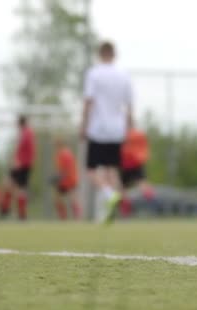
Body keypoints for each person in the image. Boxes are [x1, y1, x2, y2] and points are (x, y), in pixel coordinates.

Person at [81, 41, 133, 224]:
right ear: (114, 54)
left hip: (98, 128)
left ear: (99, 54)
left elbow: (88, 101)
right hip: (117, 129)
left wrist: (83, 125)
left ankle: (110, 195)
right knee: (112, 171)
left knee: (91, 170)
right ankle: (114, 208)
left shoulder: (94, 74)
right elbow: (129, 106)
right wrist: (130, 128)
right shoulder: (124, 75)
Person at [0, 115, 35, 220]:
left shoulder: (25, 133)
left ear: (20, 124)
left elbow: (21, 147)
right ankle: (17, 213)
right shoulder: (29, 132)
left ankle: (7, 210)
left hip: (21, 165)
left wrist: (16, 161)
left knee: (11, 185)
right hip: (26, 164)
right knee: (16, 187)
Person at [119, 126, 155, 216]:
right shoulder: (137, 135)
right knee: (141, 181)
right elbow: (145, 148)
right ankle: (148, 195)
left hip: (126, 163)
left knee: (123, 187)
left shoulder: (122, 135)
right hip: (135, 162)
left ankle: (125, 204)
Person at [52, 138, 81, 220]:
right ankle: (71, 217)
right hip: (69, 179)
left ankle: (67, 217)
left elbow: (66, 169)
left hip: (67, 180)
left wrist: (58, 177)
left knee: (67, 199)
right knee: (67, 198)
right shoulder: (64, 153)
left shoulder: (64, 154)